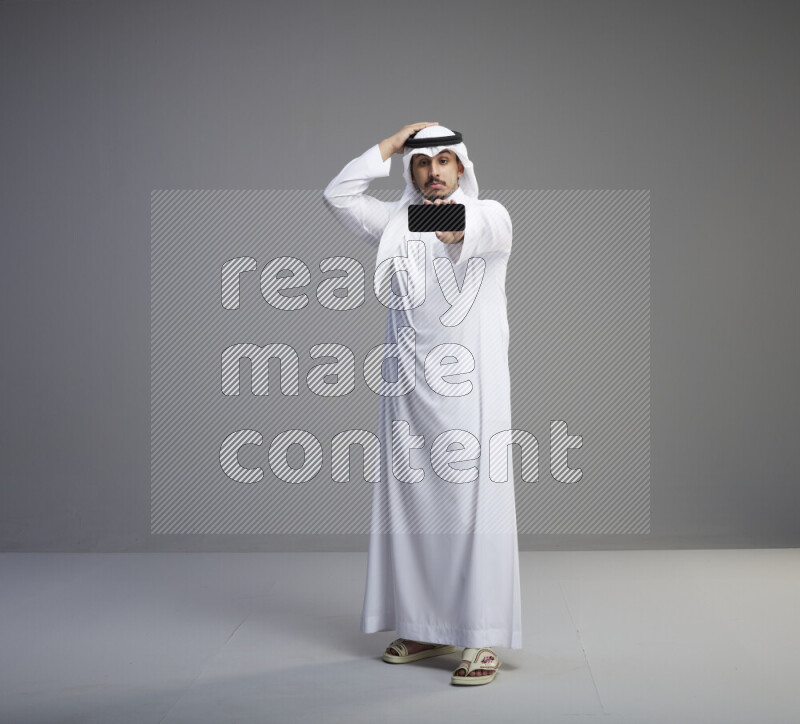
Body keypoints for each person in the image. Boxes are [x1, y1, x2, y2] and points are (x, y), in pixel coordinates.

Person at [323, 122, 522, 686]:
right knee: (412, 509)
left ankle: (479, 638)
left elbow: (460, 227)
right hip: (407, 390)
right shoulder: (393, 221)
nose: (433, 172)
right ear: (411, 172)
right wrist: (389, 145)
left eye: (443, 161)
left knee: (470, 510)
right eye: (421, 163)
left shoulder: (493, 217)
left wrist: (421, 218)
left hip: (471, 393)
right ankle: (426, 625)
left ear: (461, 167)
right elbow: (336, 196)